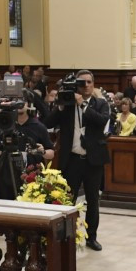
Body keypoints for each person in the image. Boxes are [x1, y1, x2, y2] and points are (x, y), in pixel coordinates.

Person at [44, 69, 109, 251]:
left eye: (89, 82)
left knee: (92, 200)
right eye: (82, 83)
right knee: (68, 200)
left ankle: (91, 237)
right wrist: (61, 107)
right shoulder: (67, 105)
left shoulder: (100, 104)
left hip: (92, 160)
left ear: (93, 84)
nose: (86, 85)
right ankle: (66, 236)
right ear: (76, 85)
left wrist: (83, 106)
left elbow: (101, 121)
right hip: (71, 160)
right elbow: (48, 123)